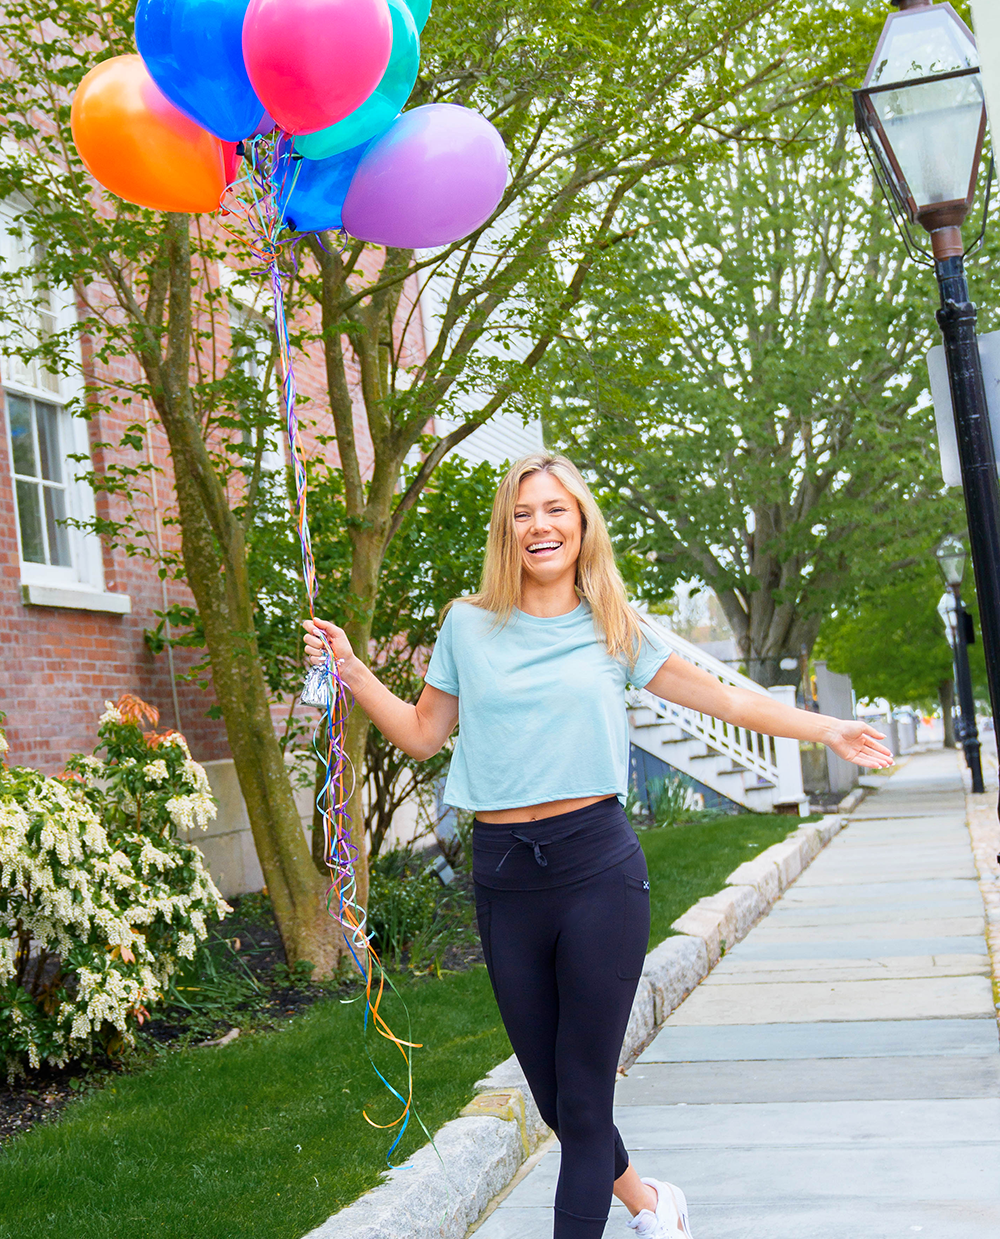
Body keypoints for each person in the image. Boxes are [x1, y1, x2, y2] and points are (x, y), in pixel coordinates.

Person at [303, 453, 892, 1239]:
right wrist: (348, 668)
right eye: (522, 512)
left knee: (583, 1104)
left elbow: (720, 695)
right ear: (505, 530)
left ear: (581, 525)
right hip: (506, 876)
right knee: (555, 1099)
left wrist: (825, 727)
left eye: (556, 511)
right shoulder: (467, 624)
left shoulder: (613, 623)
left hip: (597, 872)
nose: (539, 525)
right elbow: (420, 734)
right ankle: (653, 1208)